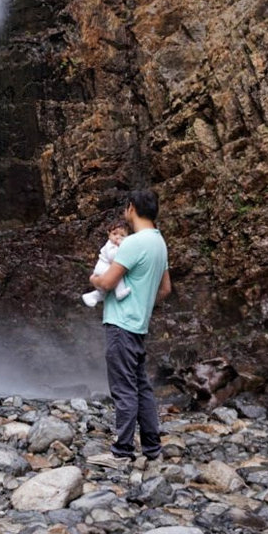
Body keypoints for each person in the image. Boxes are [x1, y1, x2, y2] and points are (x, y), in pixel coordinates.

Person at [86, 188, 172, 469]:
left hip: (121, 324)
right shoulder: (159, 243)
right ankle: (152, 448)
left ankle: (121, 453)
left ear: (131, 208)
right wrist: (142, 303)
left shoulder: (133, 244)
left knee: (123, 389)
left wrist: (94, 279)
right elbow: (165, 289)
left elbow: (108, 282)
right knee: (142, 388)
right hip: (138, 325)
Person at [82, 221, 131, 307]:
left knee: (103, 293)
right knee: (118, 275)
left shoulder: (116, 245)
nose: (117, 237)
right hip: (103, 268)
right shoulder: (110, 245)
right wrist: (121, 246)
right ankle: (120, 292)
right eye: (114, 234)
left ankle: (90, 296)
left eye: (122, 235)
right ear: (109, 234)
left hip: (104, 270)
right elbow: (113, 258)